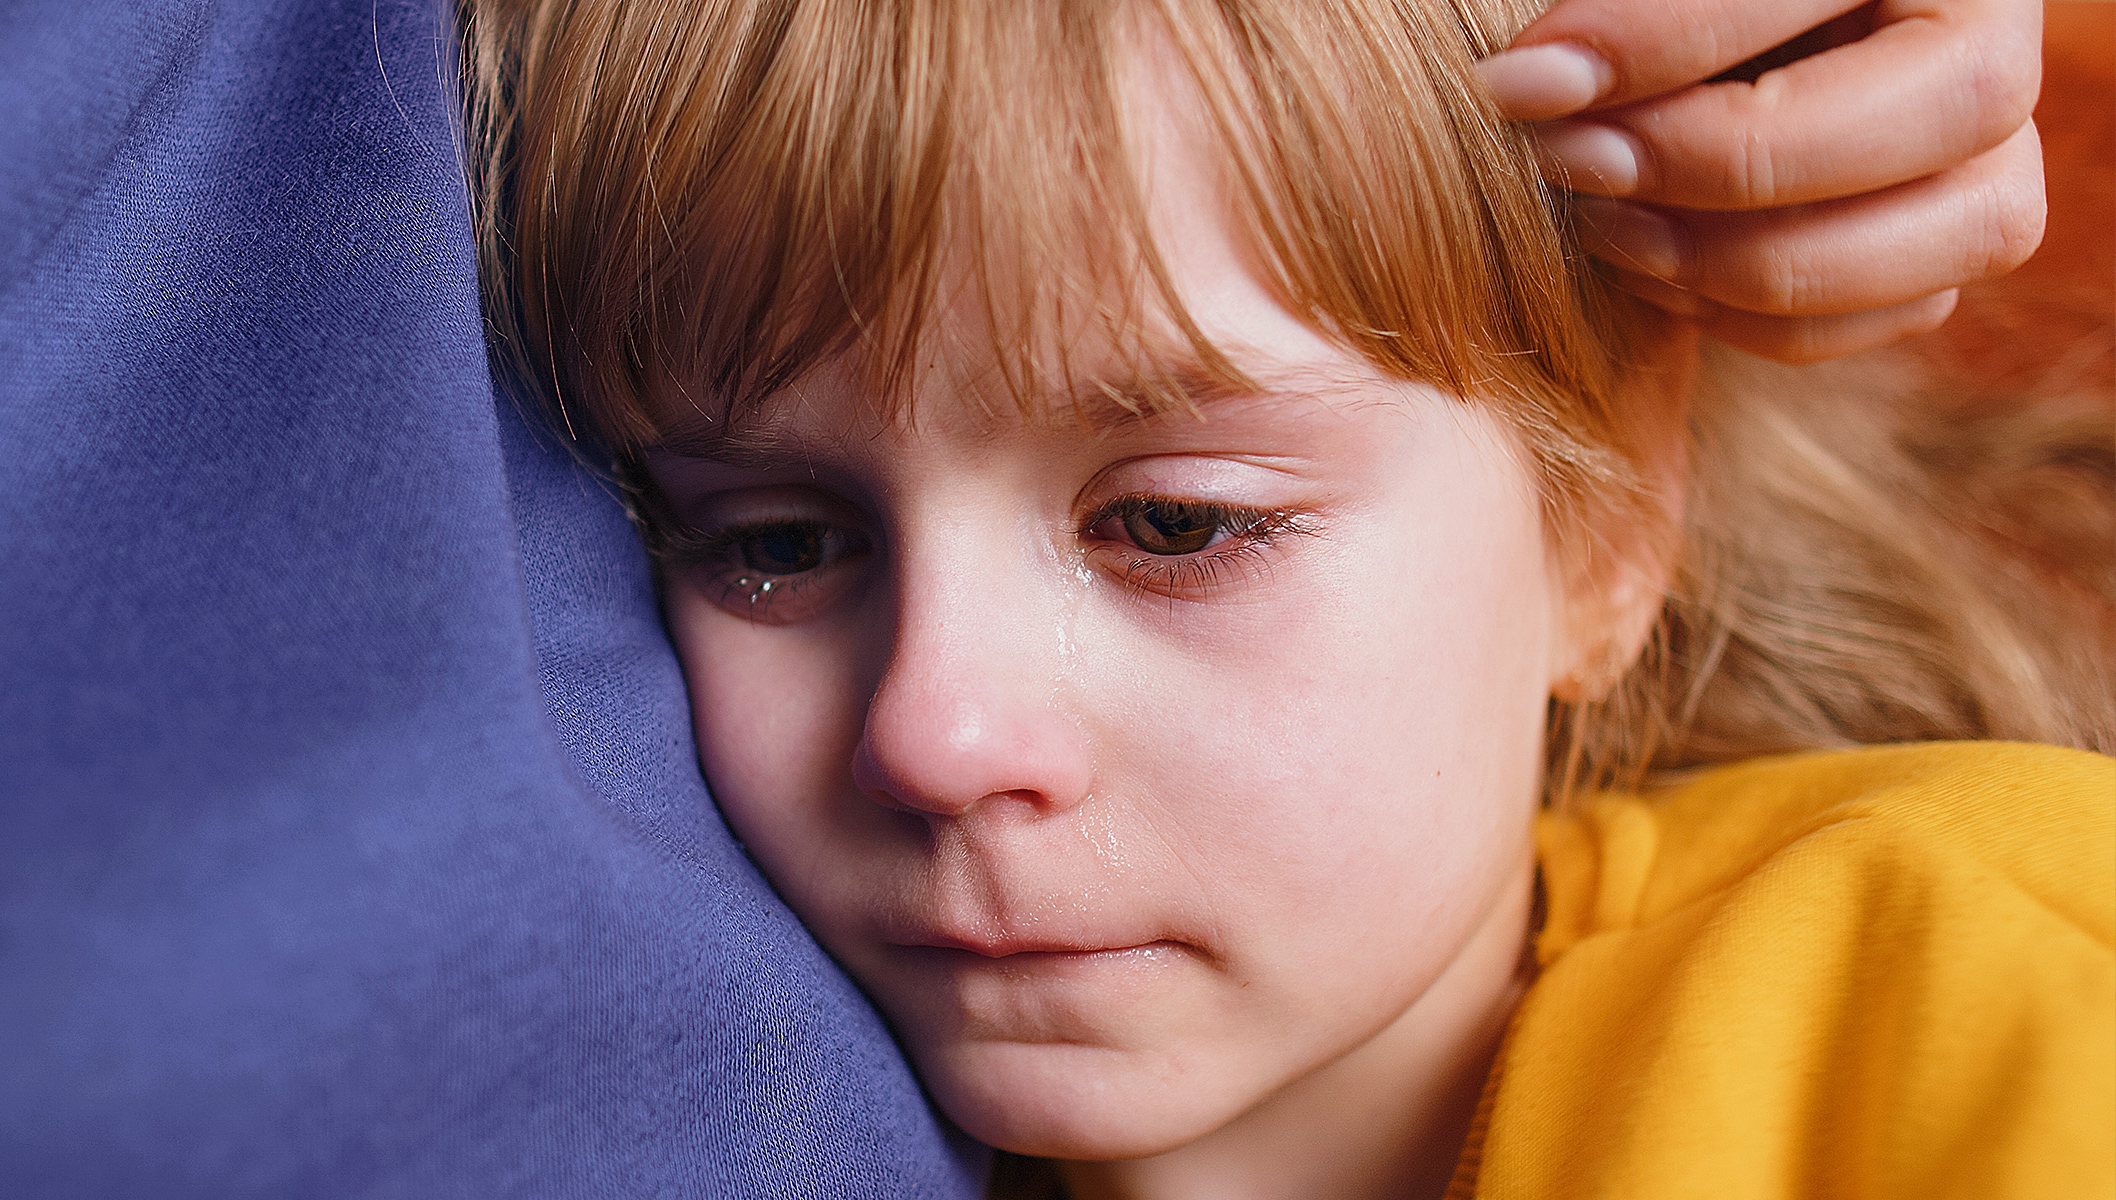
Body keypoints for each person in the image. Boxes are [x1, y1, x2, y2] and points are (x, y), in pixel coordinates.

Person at [464, 0, 2113, 1197]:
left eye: (1178, 521)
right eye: (780, 544)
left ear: (1610, 515)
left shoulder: (1960, 984)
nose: (936, 731)